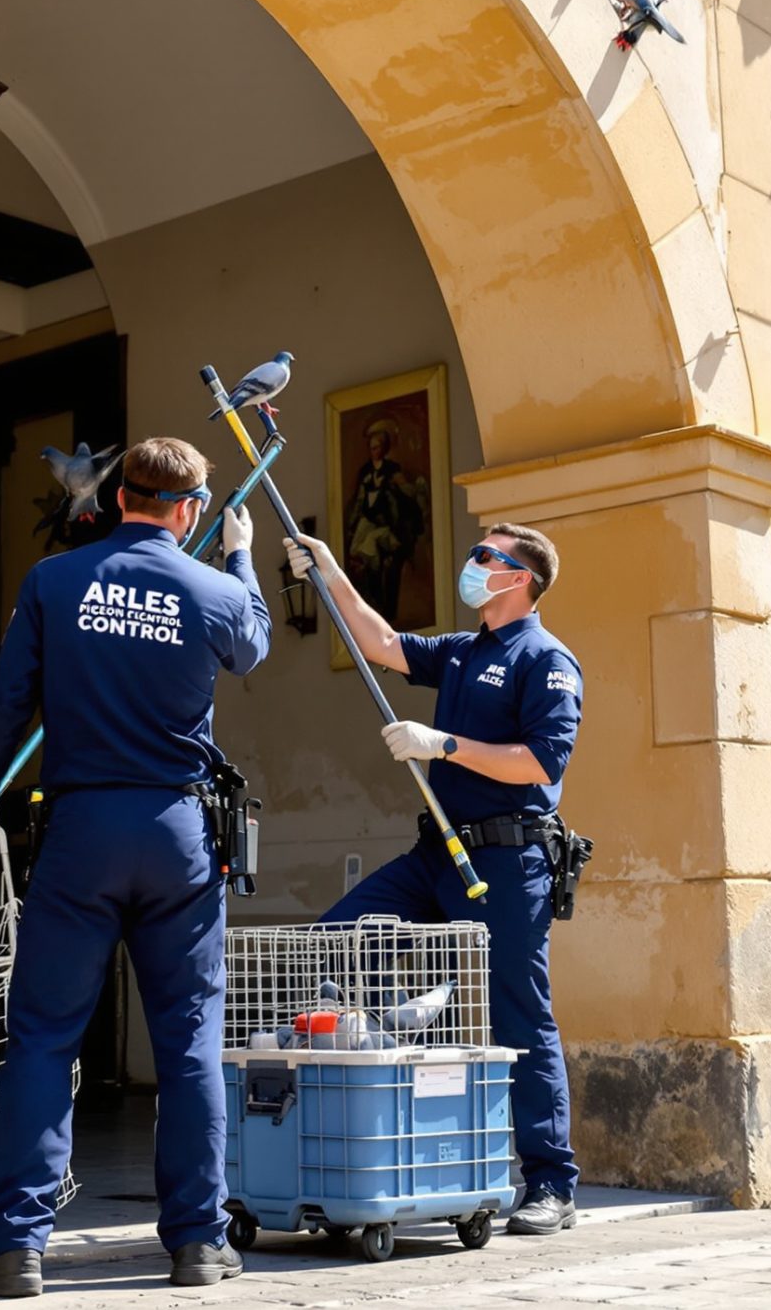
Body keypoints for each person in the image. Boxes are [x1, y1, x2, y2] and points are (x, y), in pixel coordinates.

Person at [0, 437, 270, 1299]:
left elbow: (7, 700)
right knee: (190, 1042)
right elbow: (255, 646)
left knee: (44, 1036)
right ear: (190, 510)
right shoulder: (211, 586)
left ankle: (14, 1247)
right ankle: (198, 1241)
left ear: (119, 494)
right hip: (177, 830)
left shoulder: (54, 580)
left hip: (81, 825)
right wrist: (241, 556)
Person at [285, 521, 585, 1235]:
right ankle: (407, 1047)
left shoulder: (545, 658)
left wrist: (442, 743)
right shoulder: (463, 650)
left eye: (489, 556)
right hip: (439, 852)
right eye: (476, 551)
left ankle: (551, 1182)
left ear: (522, 578)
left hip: (508, 860)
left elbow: (542, 761)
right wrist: (328, 568)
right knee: (341, 938)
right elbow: (382, 643)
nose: (474, 562)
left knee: (519, 1011)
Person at [343, 416, 426, 618]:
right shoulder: (366, 472)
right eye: (372, 447)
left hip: (388, 525)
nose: (375, 451)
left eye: (378, 447)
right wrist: (352, 525)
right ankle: (373, 605)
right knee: (365, 562)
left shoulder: (392, 470)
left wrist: (415, 488)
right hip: (368, 524)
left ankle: (386, 609)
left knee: (386, 563)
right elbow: (360, 500)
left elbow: (405, 491)